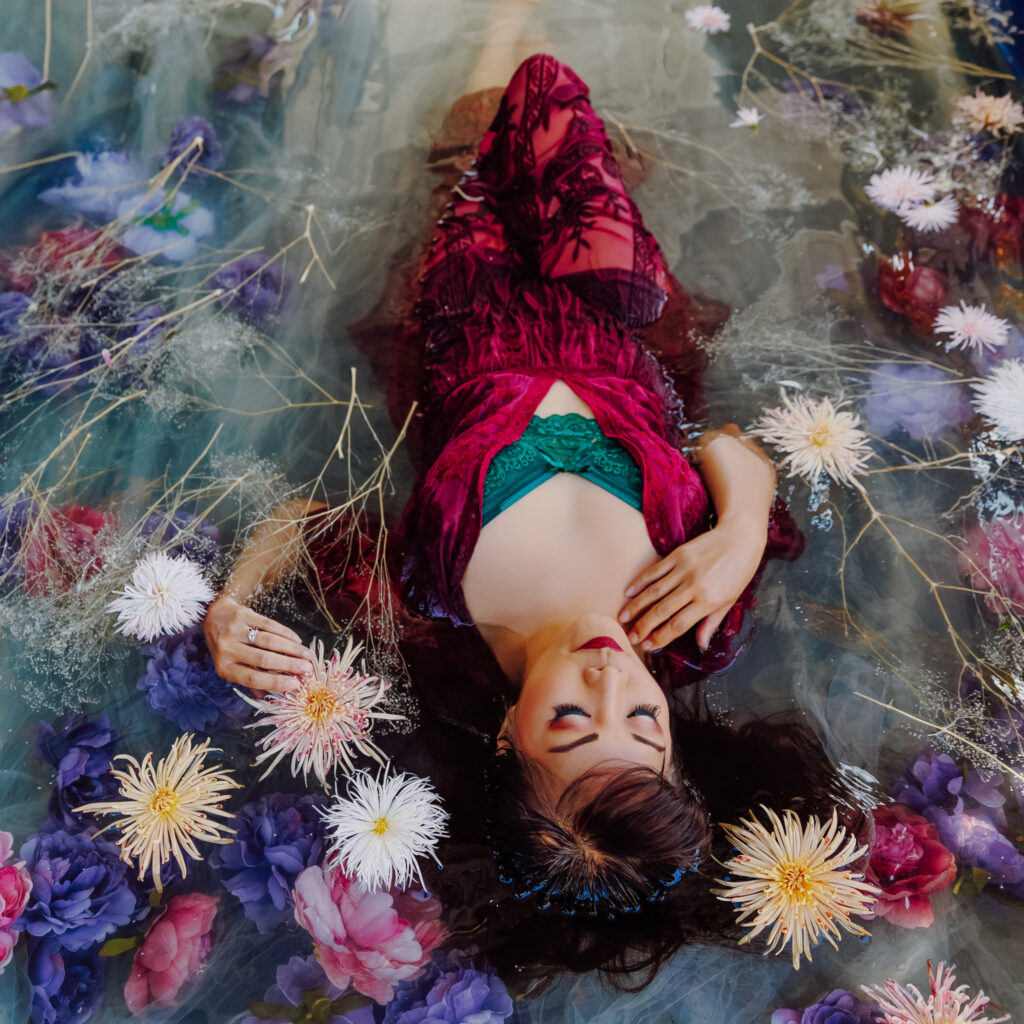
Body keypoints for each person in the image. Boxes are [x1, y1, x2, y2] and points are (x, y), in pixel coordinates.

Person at [204, 5, 798, 945]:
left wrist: (231, 603)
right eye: (645, 724)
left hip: (462, 306)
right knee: (550, 113)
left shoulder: (430, 613)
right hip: (613, 312)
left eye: (570, 719)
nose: (612, 679)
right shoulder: (696, 625)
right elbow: (726, 445)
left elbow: (303, 519)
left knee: (471, 131)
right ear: (678, 749)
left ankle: (496, 24)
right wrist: (740, 530)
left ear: (507, 736)